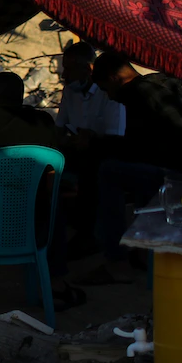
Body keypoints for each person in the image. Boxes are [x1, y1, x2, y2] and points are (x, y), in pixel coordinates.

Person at [82, 52, 182, 284]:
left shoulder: (136, 93)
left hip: (181, 177)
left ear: (114, 78)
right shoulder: (160, 83)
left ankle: (116, 262)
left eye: (106, 89)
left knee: (108, 171)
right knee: (132, 170)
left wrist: (94, 143)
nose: (110, 97)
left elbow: (135, 149)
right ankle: (142, 251)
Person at [0, 72, 83, 310]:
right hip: (35, 229)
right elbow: (51, 176)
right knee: (53, 203)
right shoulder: (43, 121)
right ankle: (55, 280)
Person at [55, 41, 126, 258]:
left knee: (93, 166)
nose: (64, 75)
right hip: (77, 151)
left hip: (104, 152)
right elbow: (60, 127)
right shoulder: (70, 91)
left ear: (88, 69)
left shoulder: (109, 93)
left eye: (69, 69)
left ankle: (89, 236)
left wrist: (91, 138)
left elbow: (114, 136)